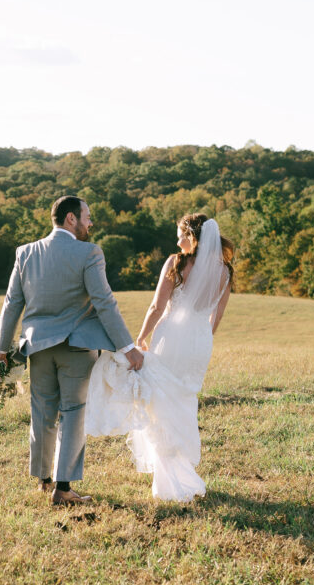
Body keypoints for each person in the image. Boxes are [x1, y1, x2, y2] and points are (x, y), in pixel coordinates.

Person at [0, 196, 144, 506]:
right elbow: (104, 302)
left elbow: (12, 304)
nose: (91, 223)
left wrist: (2, 349)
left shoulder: (26, 253)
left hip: (37, 347)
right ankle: (63, 488)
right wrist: (128, 348)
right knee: (74, 413)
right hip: (77, 347)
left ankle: (44, 481)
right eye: (88, 216)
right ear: (71, 219)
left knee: (43, 412)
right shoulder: (89, 253)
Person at [85, 214, 233, 502]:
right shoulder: (225, 272)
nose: (177, 241)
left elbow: (156, 306)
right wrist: (203, 337)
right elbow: (217, 316)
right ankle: (178, 471)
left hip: (171, 338)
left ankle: (169, 481)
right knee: (183, 401)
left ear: (192, 237)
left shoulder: (176, 262)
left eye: (180, 235)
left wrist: (140, 337)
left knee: (160, 404)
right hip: (199, 343)